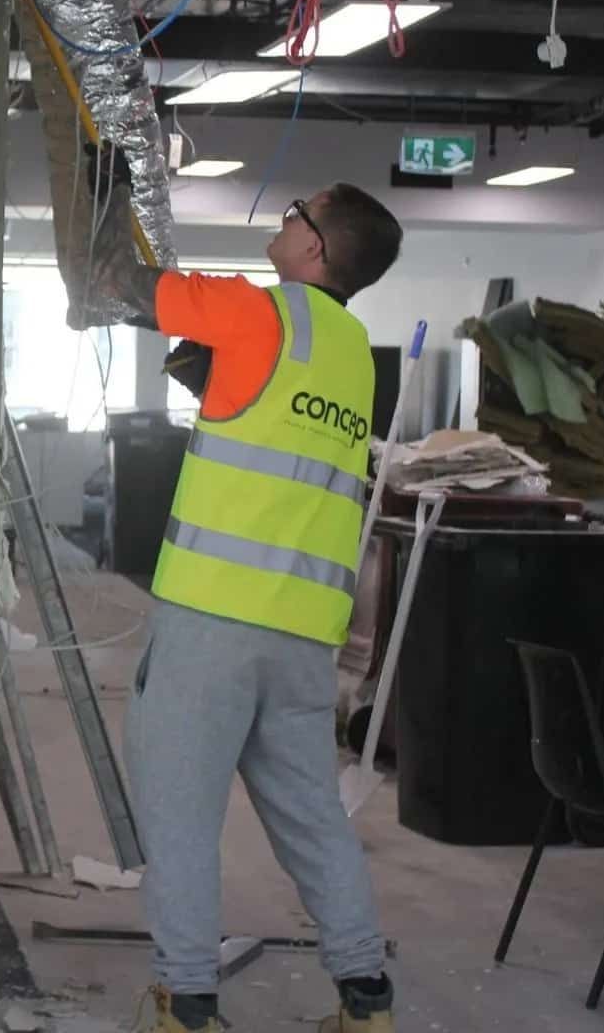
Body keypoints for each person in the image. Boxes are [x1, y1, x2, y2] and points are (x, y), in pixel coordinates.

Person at [90, 173, 405, 1033]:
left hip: (212, 627)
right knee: (313, 822)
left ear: (313, 246)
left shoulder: (259, 313)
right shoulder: (352, 356)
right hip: (303, 640)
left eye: (296, 212)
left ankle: (185, 1006)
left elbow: (115, 283)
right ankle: (366, 1001)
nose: (284, 215)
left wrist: (105, 182)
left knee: (181, 819)